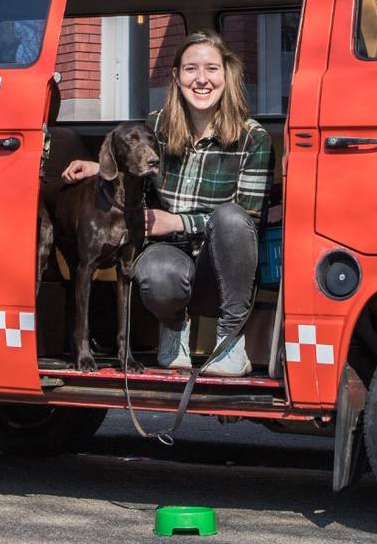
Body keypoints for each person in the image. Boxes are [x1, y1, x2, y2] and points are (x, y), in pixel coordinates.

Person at [63, 30, 271, 376]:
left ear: (227, 75)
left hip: (219, 266)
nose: (201, 79)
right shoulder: (157, 127)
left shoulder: (254, 139)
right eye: (190, 69)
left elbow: (251, 220)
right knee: (156, 272)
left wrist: (177, 222)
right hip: (170, 257)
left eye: (211, 69)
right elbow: (135, 158)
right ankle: (174, 329)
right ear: (176, 77)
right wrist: (100, 167)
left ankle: (229, 342)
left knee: (233, 220)